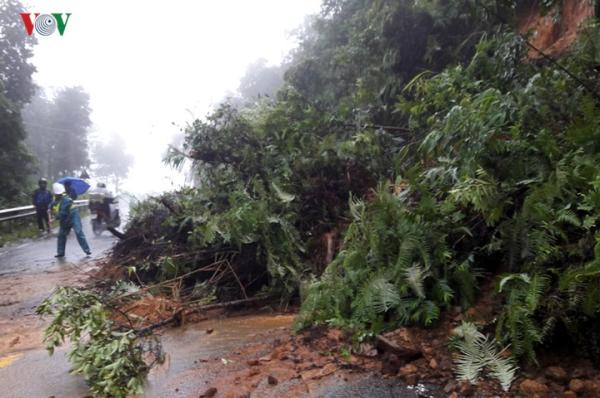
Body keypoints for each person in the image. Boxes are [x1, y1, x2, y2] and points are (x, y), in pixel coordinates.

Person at [52, 182, 91, 258]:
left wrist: (55, 218)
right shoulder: (56, 197)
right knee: (61, 235)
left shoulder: (67, 199)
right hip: (65, 218)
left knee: (78, 232)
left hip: (73, 215)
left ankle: (87, 250)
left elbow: (63, 212)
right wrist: (50, 207)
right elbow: (53, 204)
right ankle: (60, 253)